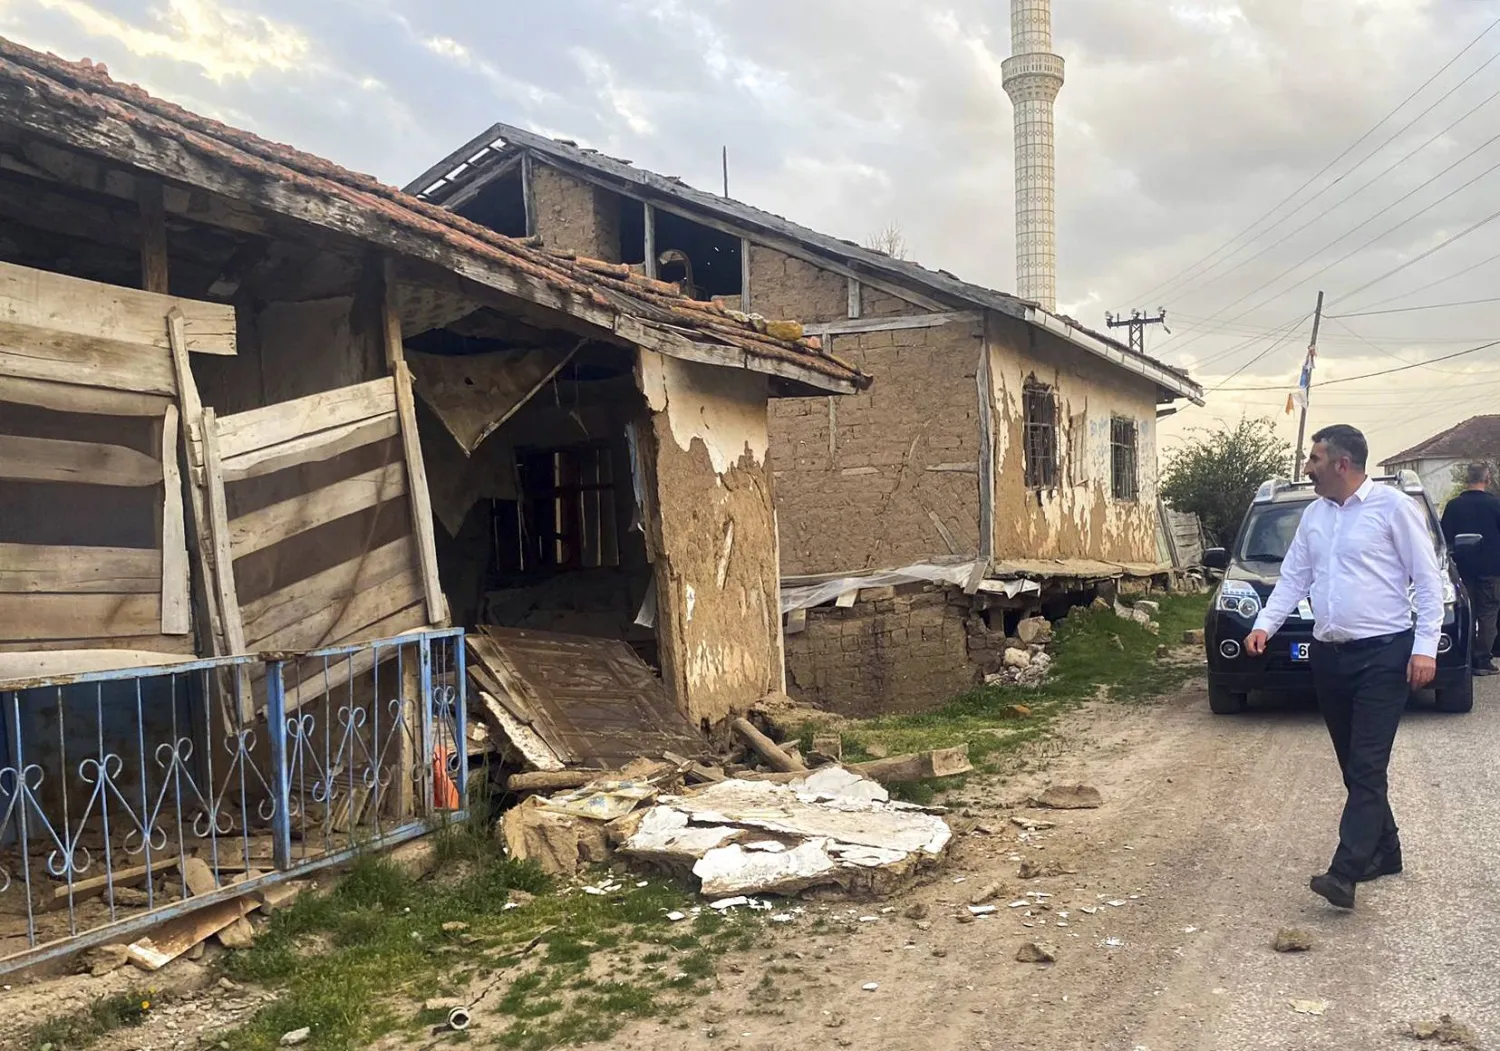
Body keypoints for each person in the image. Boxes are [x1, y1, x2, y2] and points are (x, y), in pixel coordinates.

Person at [1245, 425, 1444, 910]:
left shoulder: (1393, 508)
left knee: (1368, 763)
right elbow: (1295, 577)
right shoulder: (1314, 515)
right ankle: (1387, 850)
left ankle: (1345, 870)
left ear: (1341, 464)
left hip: (1384, 653)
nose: (1306, 467)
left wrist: (1426, 647)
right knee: (1354, 764)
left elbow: (1427, 578)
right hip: (1328, 656)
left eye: (1314, 459)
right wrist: (1265, 625)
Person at [1440, 463, 1500, 676]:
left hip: (1461, 569)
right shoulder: (1496, 505)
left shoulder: (1454, 506)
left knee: (1466, 612)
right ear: (1488, 479)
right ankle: (1482, 659)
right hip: (1492, 569)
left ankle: (1464, 655)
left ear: (1466, 480)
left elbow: (1444, 538)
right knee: (1488, 613)